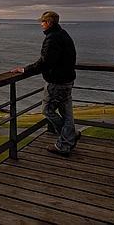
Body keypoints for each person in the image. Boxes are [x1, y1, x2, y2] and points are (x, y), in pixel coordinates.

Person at [11, 11, 79, 156]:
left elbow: (45, 62)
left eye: (43, 22)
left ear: (49, 23)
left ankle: (66, 141)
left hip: (57, 82)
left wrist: (24, 70)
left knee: (46, 110)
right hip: (68, 80)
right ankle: (69, 137)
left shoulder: (52, 38)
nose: (41, 24)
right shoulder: (63, 34)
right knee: (67, 114)